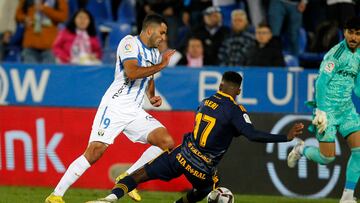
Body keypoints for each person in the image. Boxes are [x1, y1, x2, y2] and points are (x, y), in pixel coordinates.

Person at [87, 71, 304, 203]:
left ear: (220, 86)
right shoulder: (235, 110)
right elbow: (252, 134)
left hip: (182, 154)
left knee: (138, 175)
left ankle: (110, 198)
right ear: (238, 91)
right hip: (202, 167)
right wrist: (285, 137)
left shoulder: (205, 101)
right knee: (207, 190)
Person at [45, 14, 176, 203]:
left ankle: (127, 177)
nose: (163, 37)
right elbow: (132, 72)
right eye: (162, 32)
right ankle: (56, 195)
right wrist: (162, 65)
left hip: (135, 110)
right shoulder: (129, 43)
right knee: (95, 151)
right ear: (150, 30)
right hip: (115, 106)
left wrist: (151, 96)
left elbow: (149, 77)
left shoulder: (155, 53)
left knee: (166, 142)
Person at [287, 16, 360, 203]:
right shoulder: (335, 55)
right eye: (350, 32)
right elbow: (321, 83)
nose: (353, 37)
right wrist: (321, 110)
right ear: (344, 32)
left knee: (359, 152)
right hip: (326, 111)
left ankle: (347, 197)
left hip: (346, 110)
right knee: (327, 158)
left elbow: (357, 84)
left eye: (358, 34)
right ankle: (301, 150)